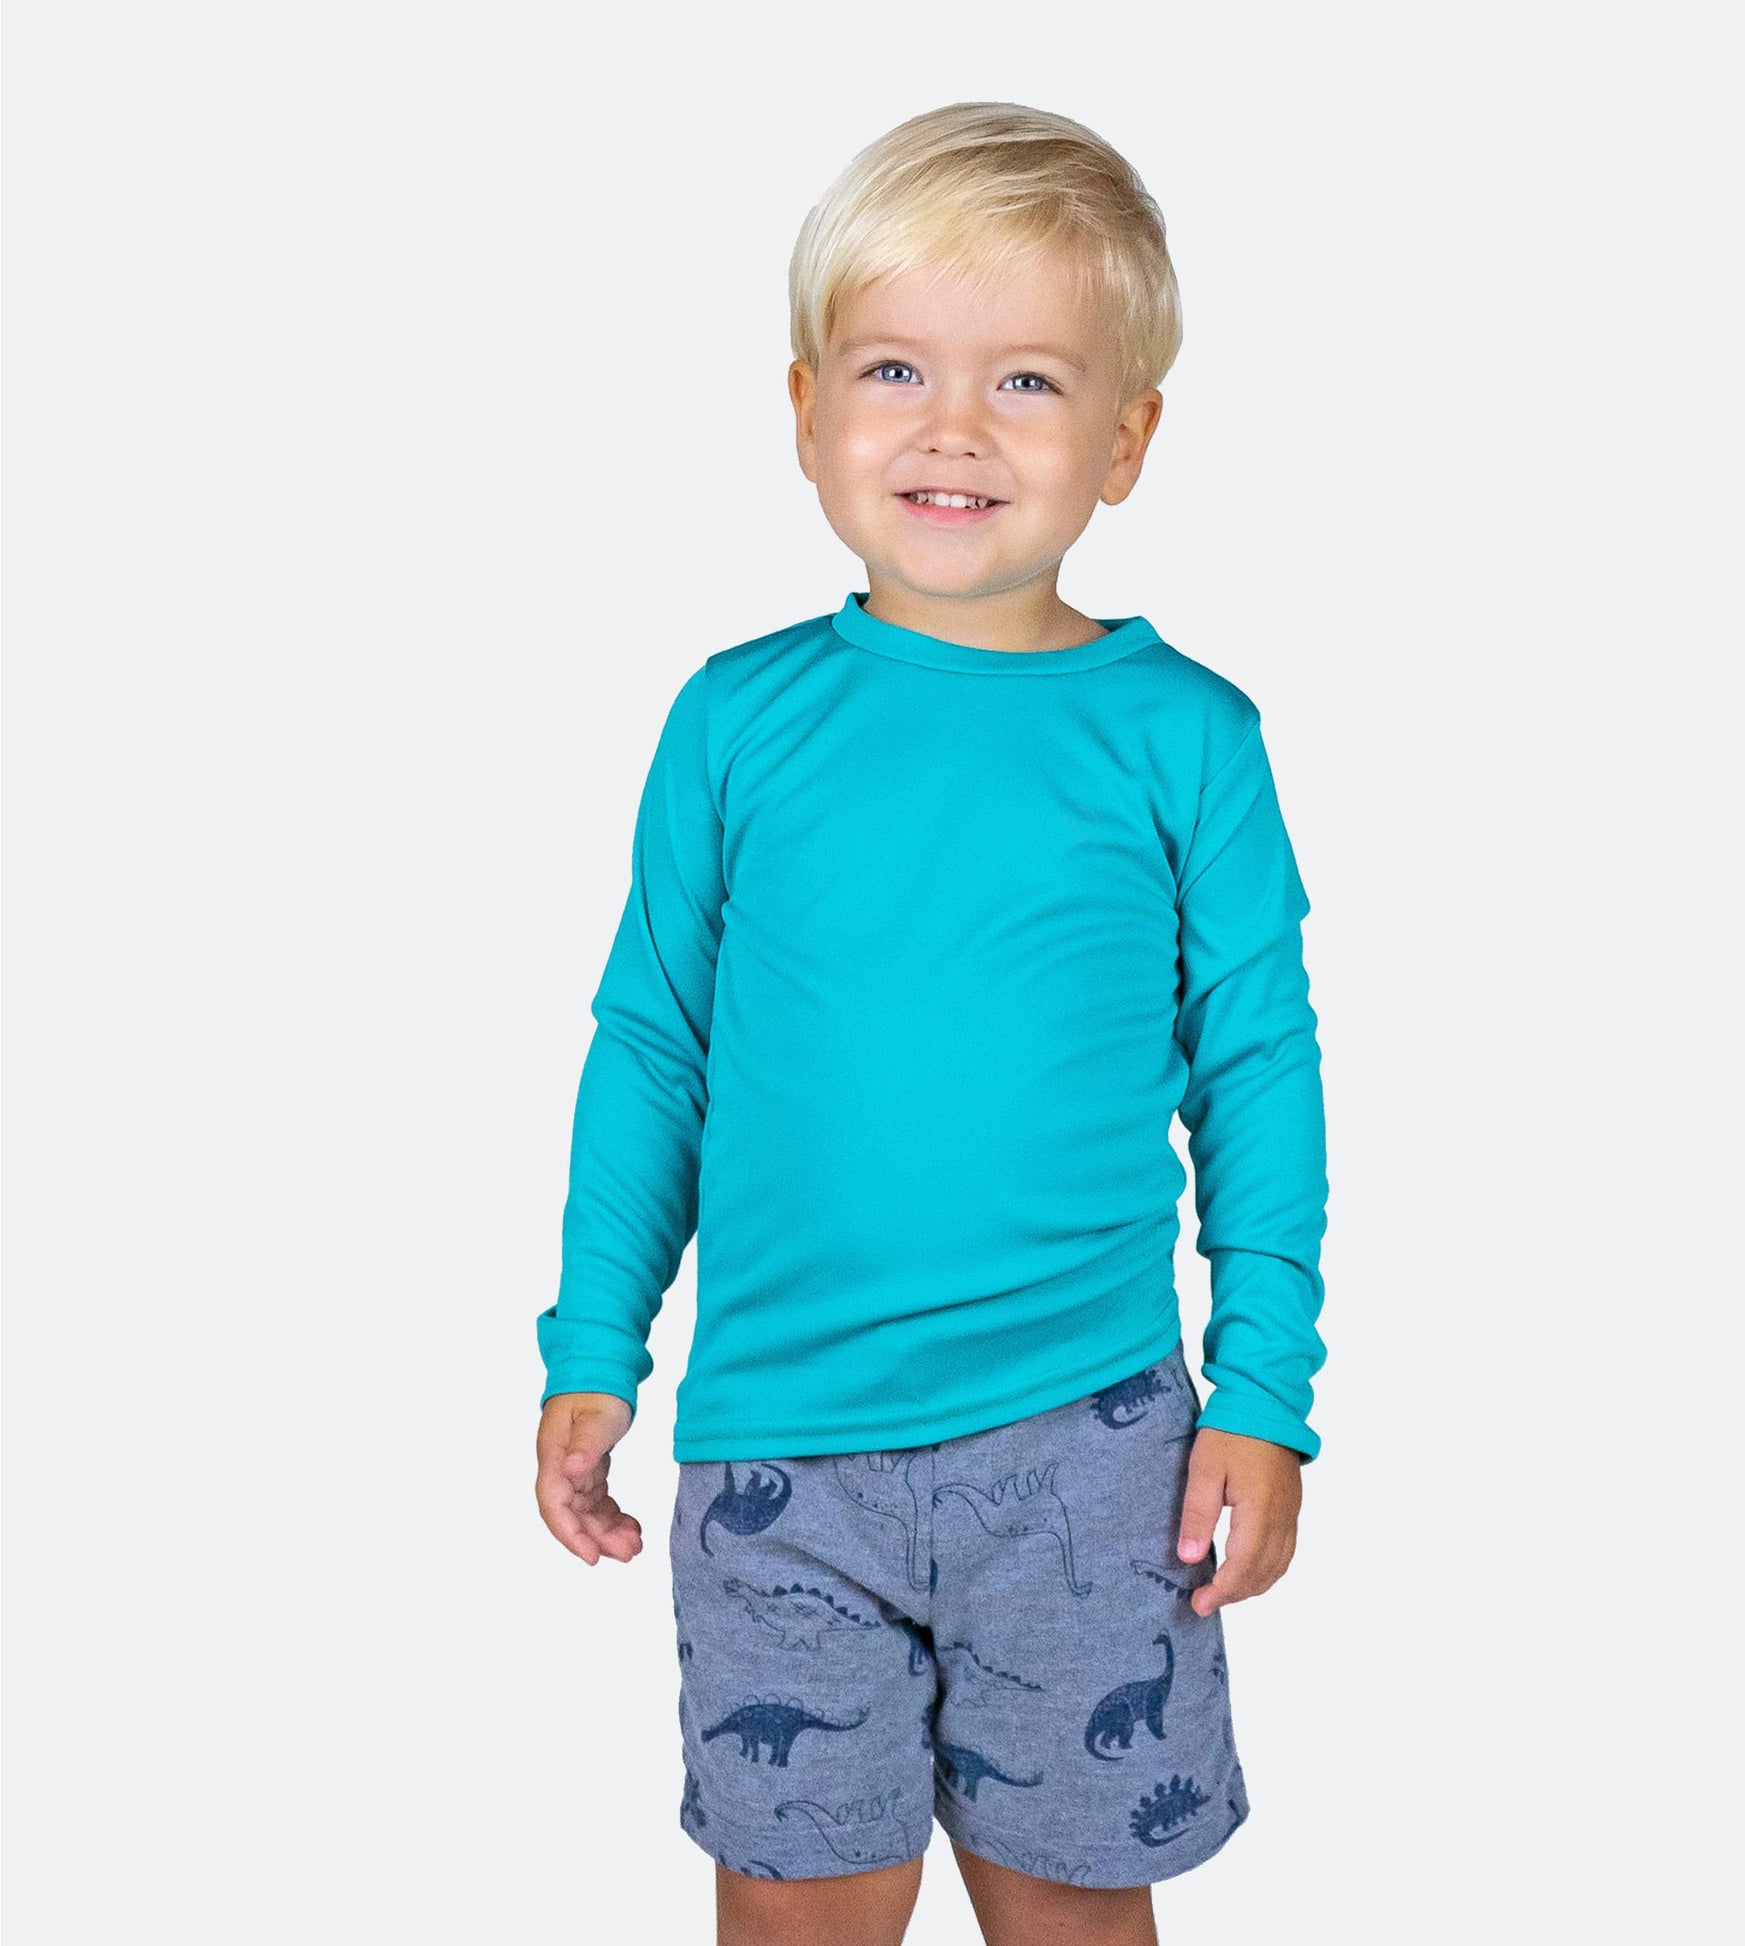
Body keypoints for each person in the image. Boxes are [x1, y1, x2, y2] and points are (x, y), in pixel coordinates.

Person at [531, 100, 1329, 1946]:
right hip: (778, 1456)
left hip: (1091, 1445)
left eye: (1026, 380)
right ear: (805, 405)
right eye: (896, 367)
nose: (954, 426)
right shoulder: (733, 720)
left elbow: (1257, 1072)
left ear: (1125, 440)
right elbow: (654, 1046)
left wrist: (1266, 1391)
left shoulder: (1187, 737)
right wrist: (593, 1340)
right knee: (797, 1913)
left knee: (1070, 1913)